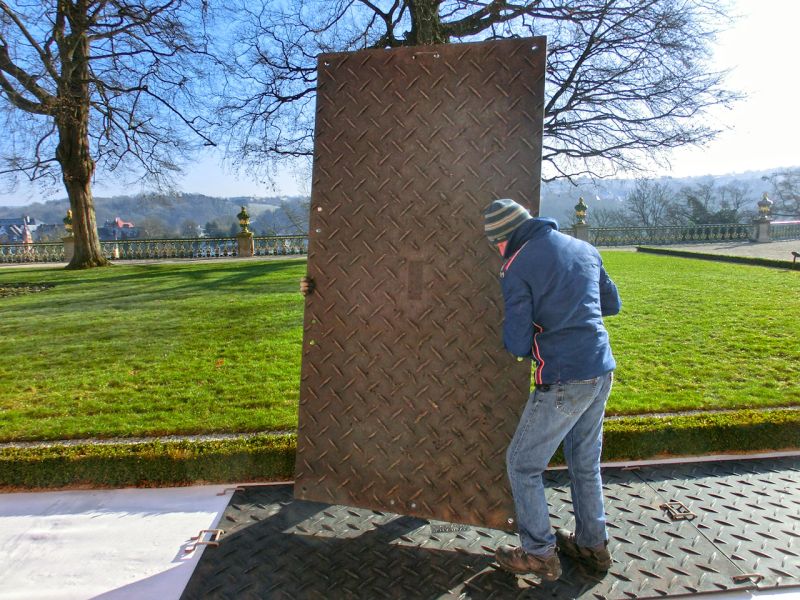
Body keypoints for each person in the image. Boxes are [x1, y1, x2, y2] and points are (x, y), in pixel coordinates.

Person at [483, 198, 621, 582]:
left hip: (563, 376)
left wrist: (540, 335)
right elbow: (612, 303)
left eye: (494, 242)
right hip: (600, 369)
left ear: (504, 236)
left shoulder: (516, 266)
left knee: (522, 464)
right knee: (584, 462)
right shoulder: (583, 248)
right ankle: (593, 545)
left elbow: (516, 341)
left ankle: (538, 553)